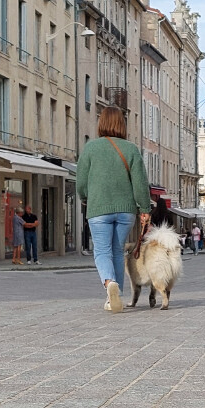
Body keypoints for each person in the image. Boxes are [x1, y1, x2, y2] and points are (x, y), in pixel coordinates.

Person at [77, 106, 151, 312]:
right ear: (122, 124)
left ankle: (110, 284)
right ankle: (114, 298)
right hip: (126, 210)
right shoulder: (131, 149)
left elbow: (81, 181)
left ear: (101, 123)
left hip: (99, 209)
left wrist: (84, 197)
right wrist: (144, 208)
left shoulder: (91, 148)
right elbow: (140, 183)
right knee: (118, 251)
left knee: (102, 250)